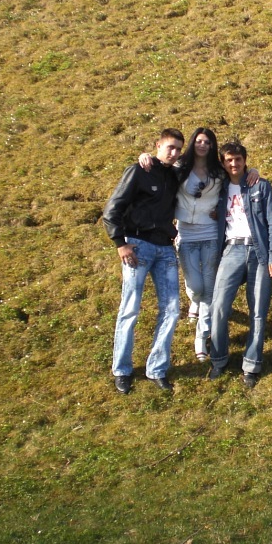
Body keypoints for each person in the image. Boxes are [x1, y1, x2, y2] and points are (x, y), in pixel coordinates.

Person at [138, 128, 258, 364]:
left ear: (212, 146)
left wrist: (253, 171)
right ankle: (194, 301)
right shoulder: (179, 168)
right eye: (199, 141)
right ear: (193, 143)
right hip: (186, 233)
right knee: (196, 287)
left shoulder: (218, 171)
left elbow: (238, 173)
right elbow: (160, 165)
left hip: (211, 233)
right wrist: (146, 156)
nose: (203, 145)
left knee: (209, 290)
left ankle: (201, 337)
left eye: (208, 142)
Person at [102, 128, 184, 394]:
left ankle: (157, 368)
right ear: (158, 145)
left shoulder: (174, 175)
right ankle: (122, 370)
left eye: (178, 149)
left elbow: (201, 160)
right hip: (137, 246)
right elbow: (112, 209)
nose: (174, 153)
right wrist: (120, 243)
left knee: (171, 309)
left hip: (165, 248)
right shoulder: (139, 171)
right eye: (170, 147)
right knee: (130, 308)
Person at [208, 142, 272, 388]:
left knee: (258, 310)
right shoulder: (218, 188)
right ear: (223, 163)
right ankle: (218, 359)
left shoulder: (260, 186)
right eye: (229, 160)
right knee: (219, 306)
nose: (234, 164)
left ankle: (251, 364)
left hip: (259, 252)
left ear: (244, 160)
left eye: (238, 159)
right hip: (231, 249)